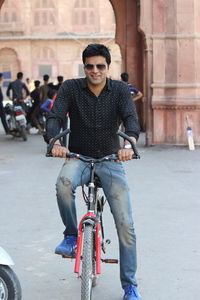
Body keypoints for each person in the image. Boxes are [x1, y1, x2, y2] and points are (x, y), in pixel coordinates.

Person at [44, 44, 141, 300]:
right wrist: (54, 141)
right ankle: (71, 236)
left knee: (126, 224)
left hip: (111, 160)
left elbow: (131, 119)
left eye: (100, 66)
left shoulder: (119, 90)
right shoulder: (71, 88)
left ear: (108, 68)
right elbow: (55, 116)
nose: (95, 71)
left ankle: (130, 285)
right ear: (83, 67)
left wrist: (129, 142)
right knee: (63, 183)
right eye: (89, 66)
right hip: (78, 156)